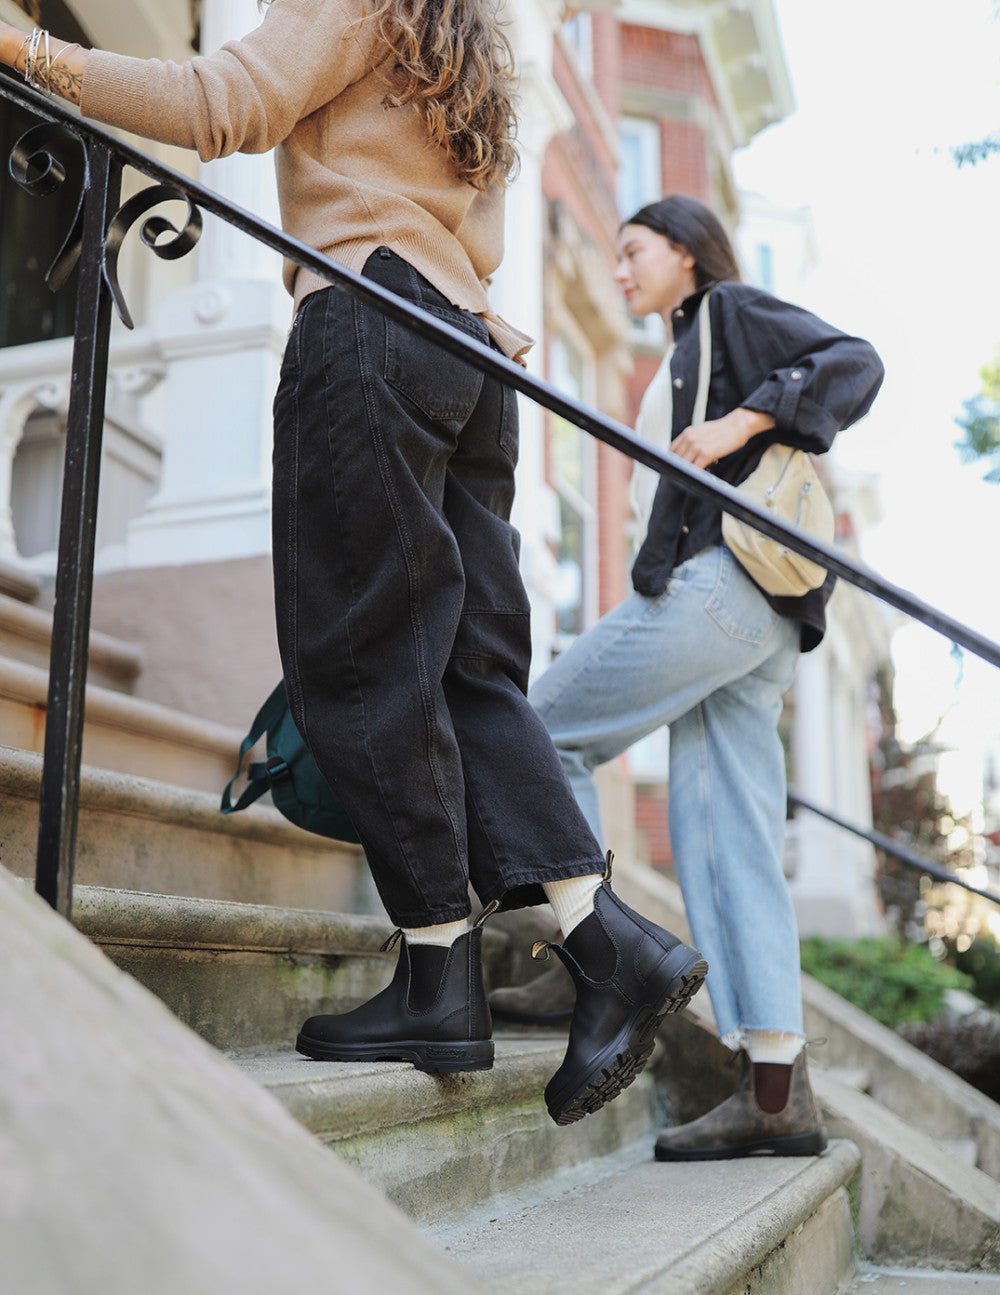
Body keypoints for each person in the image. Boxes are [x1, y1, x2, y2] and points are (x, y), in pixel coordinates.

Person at [0, 6, 708, 1126]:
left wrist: (34, 53)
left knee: (363, 654)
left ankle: (463, 965)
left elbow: (222, 106)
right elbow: (478, 234)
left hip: (370, 324)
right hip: (467, 345)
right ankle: (580, 938)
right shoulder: (464, 38)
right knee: (464, 665)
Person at [502, 194, 884, 1156]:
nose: (620, 269)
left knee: (537, 730)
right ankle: (775, 1094)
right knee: (726, 839)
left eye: (633, 251)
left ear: (684, 251)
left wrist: (738, 423)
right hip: (753, 620)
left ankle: (593, 955)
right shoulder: (677, 348)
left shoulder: (729, 312)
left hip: (722, 589)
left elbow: (856, 362)